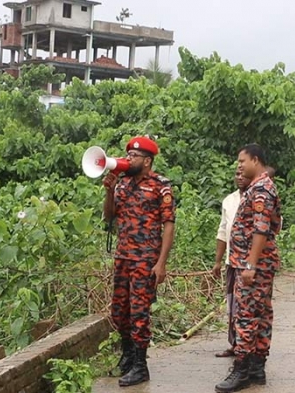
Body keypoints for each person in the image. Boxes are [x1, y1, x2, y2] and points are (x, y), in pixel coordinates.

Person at [102, 136, 176, 387]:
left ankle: (141, 366)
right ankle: (128, 355)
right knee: (119, 310)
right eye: (128, 155)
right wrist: (109, 190)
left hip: (146, 259)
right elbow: (109, 216)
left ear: (147, 161)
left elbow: (168, 225)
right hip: (123, 257)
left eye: (134, 156)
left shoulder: (160, 185)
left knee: (139, 313)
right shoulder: (121, 184)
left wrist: (161, 263)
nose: (128, 159)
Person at [215, 144, 282, 393]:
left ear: (256, 160)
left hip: (253, 265)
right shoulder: (257, 187)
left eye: (242, 161)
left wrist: (250, 263)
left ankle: (242, 370)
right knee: (261, 316)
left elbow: (261, 229)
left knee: (246, 317)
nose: (239, 165)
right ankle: (256, 368)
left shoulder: (262, 189)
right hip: (257, 264)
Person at [212, 169, 251, 358]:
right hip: (231, 262)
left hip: (249, 264)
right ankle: (234, 343)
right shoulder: (229, 201)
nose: (239, 177)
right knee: (232, 304)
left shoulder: (259, 197)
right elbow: (222, 232)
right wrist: (217, 262)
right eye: (236, 174)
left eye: (243, 174)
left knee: (248, 307)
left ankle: (251, 348)